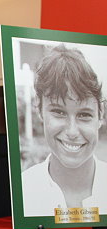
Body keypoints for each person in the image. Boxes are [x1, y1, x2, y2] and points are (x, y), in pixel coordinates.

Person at [21, 45, 106, 216]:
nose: (72, 132)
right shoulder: (23, 189)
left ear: (100, 114)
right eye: (59, 112)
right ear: (40, 109)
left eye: (84, 115)